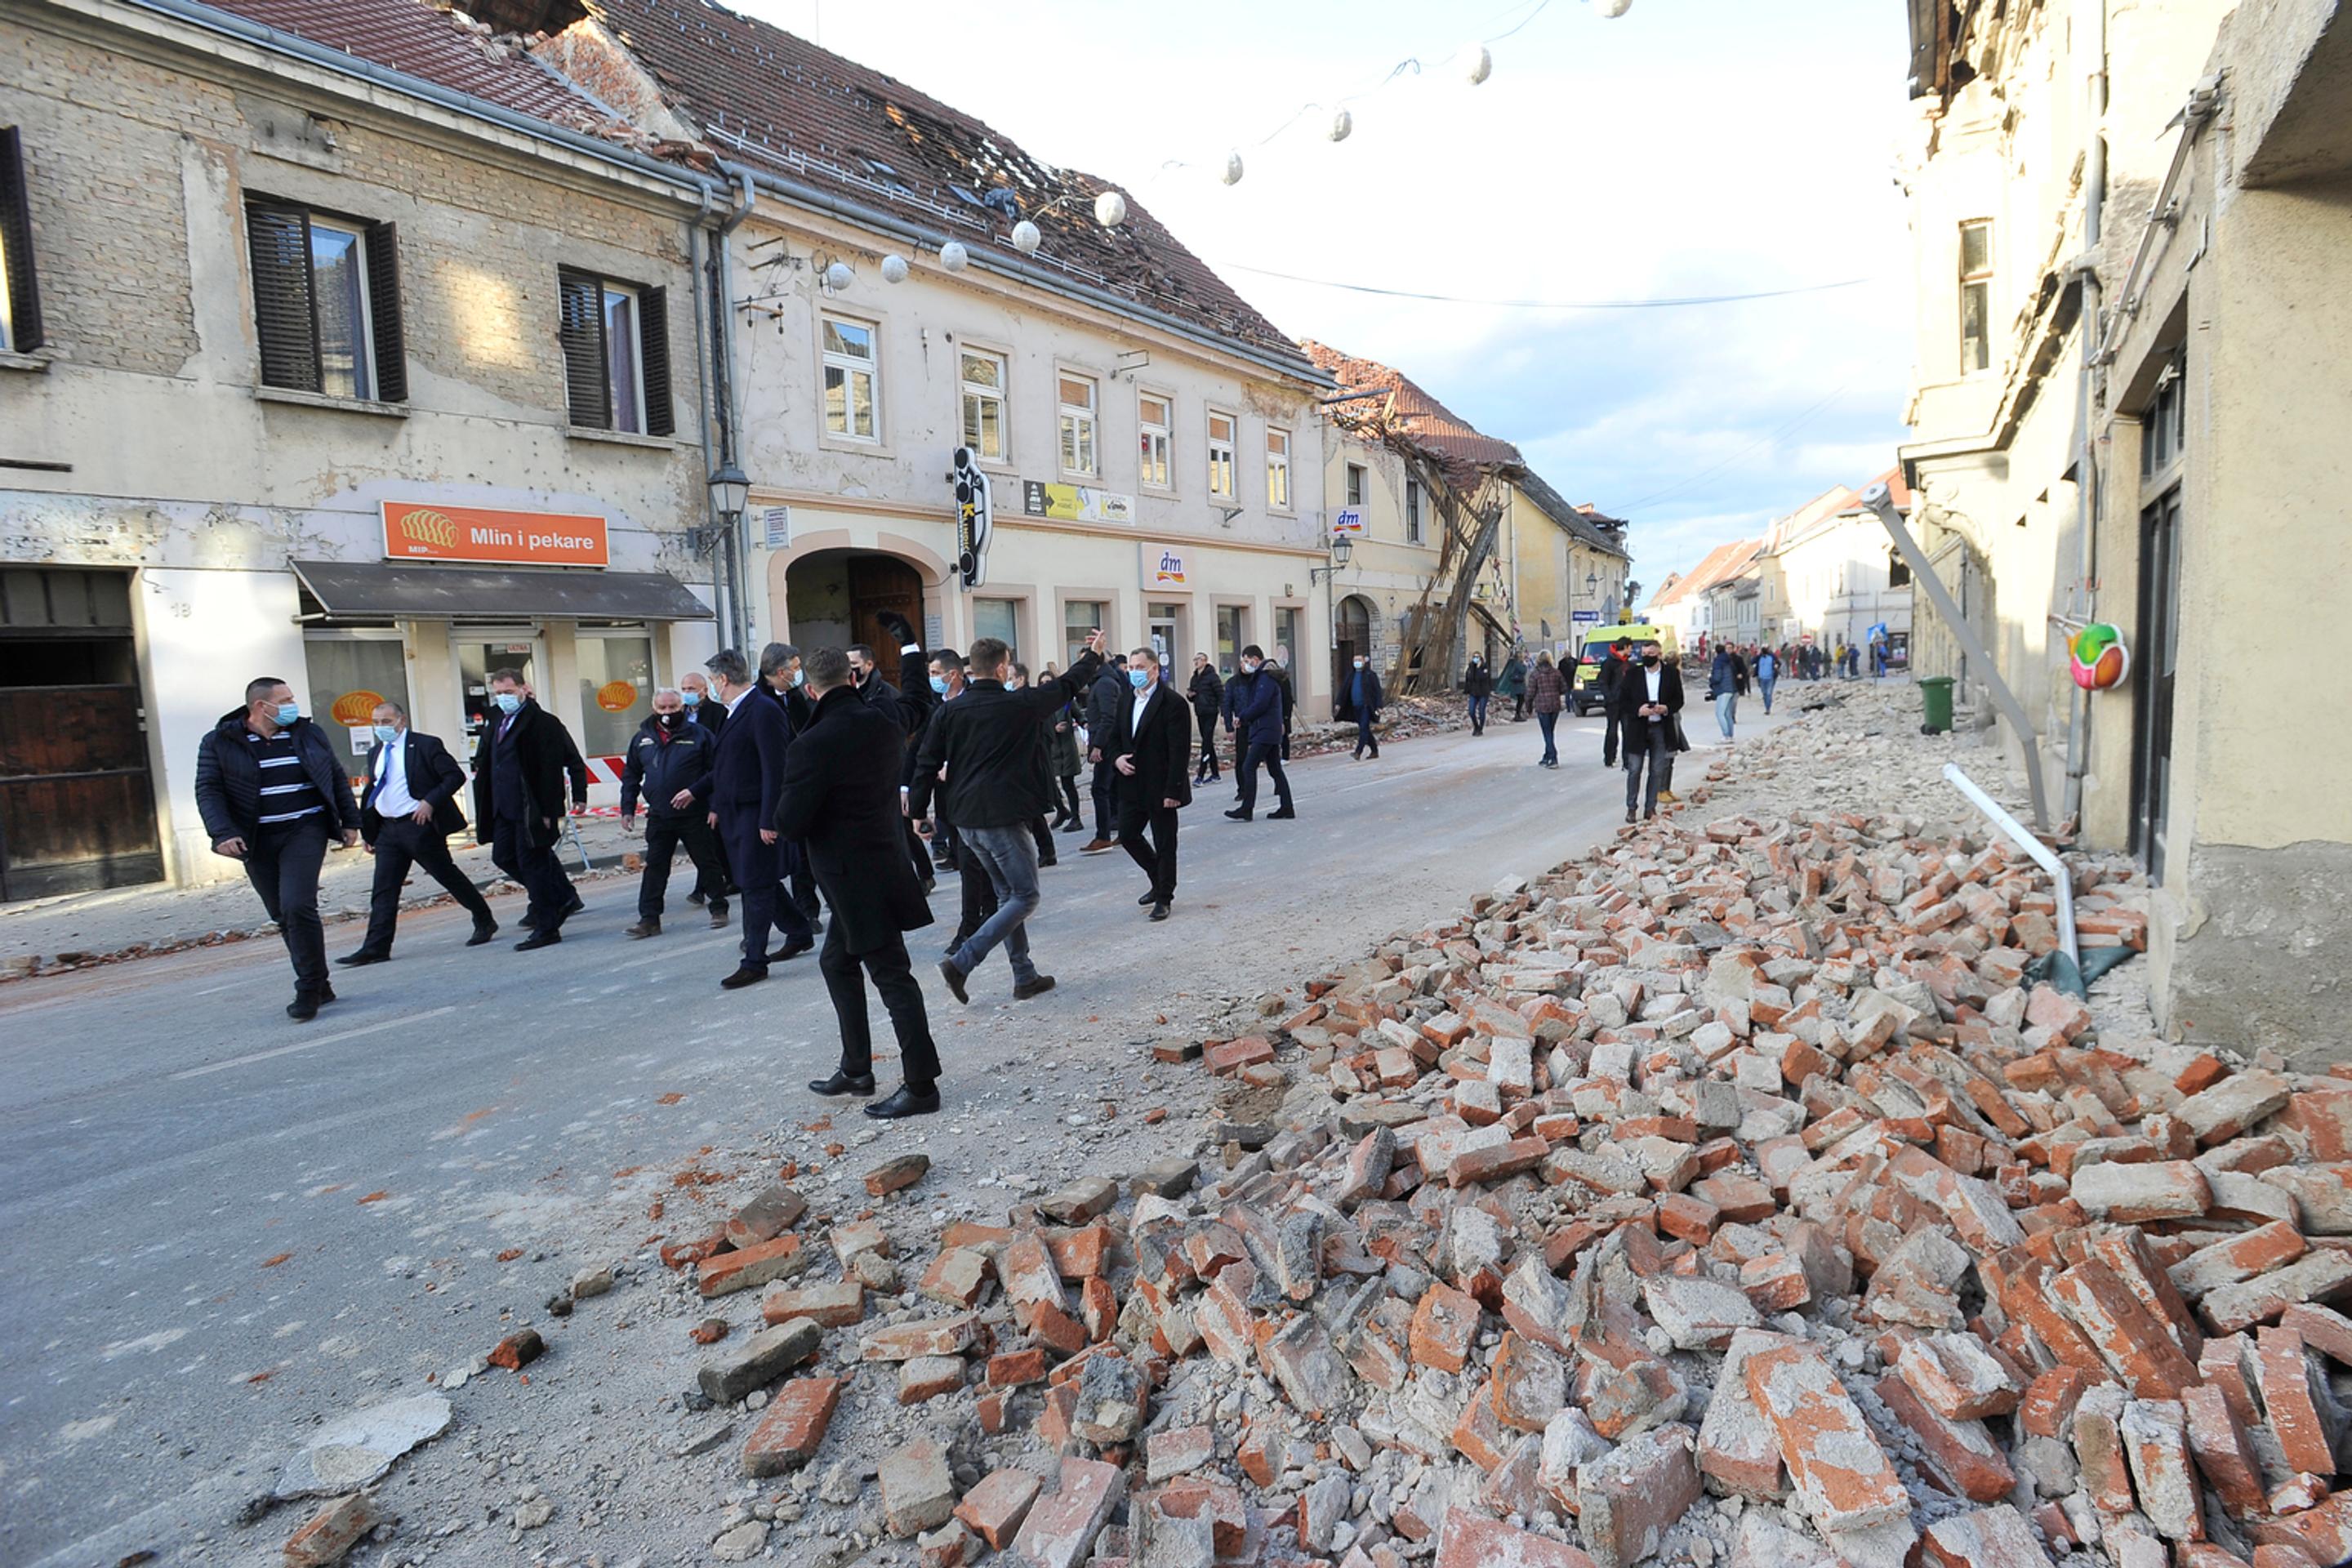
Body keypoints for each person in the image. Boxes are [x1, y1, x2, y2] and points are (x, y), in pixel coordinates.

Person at [775, 647, 942, 1120]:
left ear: (811, 689)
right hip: (884, 862)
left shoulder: (812, 743)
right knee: (836, 962)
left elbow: (790, 823)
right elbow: (915, 696)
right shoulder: (883, 721)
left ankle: (922, 1085)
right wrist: (908, 646)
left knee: (893, 977)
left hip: (852, 878)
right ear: (852, 678)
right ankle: (856, 1068)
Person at [913, 633, 1105, 1003]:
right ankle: (962, 962)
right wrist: (1092, 657)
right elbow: (1067, 686)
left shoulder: (950, 711)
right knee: (1026, 896)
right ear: (1002, 668)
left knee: (1007, 896)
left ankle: (1025, 976)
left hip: (965, 820)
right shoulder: (1019, 704)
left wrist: (920, 812)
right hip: (999, 818)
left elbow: (926, 762)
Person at [194, 677, 362, 1019]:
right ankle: (320, 982)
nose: (292, 705)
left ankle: (307, 989)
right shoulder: (219, 741)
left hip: (305, 828)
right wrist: (222, 833)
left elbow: (332, 774)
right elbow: (208, 790)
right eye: (284, 699)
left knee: (298, 904)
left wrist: (350, 821)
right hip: (256, 837)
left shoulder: (307, 733)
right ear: (260, 706)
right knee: (282, 914)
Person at [339, 700, 497, 965]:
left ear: (401, 721)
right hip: (388, 829)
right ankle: (376, 946)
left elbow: (454, 776)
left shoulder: (425, 745)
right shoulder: (376, 751)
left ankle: (483, 917)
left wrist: (430, 801)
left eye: (386, 722)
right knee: (384, 889)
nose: (381, 728)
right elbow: (376, 790)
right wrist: (370, 832)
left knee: (446, 875)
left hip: (419, 825)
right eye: (376, 723)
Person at [694, 648, 813, 989]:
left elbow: (775, 767)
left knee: (755, 886)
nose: (713, 688)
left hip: (755, 813)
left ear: (723, 679)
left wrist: (769, 819)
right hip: (736, 813)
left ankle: (755, 961)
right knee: (757, 879)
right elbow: (728, 766)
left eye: (713, 681)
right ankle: (799, 930)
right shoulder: (735, 711)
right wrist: (712, 800)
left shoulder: (762, 710)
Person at [470, 666, 585, 950]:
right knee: (503, 856)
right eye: (498, 693)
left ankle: (547, 926)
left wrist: (551, 810)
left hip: (530, 806)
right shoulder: (496, 719)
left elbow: (552, 769)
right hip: (501, 806)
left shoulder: (541, 722)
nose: (503, 698)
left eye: (508, 692)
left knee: (532, 864)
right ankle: (559, 897)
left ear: (523, 689)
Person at [617, 688, 730, 938]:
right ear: (654, 709)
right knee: (655, 867)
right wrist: (627, 808)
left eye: (673, 708)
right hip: (659, 814)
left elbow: (718, 772)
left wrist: (713, 806)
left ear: (682, 708)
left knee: (707, 862)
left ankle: (719, 908)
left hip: (695, 813)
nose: (668, 713)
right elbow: (631, 775)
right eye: (663, 708)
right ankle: (649, 919)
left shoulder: (700, 736)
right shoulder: (642, 739)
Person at [1109, 646, 1193, 920]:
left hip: (1161, 786)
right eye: (1131, 668)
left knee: (1165, 842)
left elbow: (1179, 751)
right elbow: (1115, 737)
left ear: (1155, 669)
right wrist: (1116, 759)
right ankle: (1158, 879)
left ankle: (1164, 897)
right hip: (1132, 784)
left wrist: (1174, 790)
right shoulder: (1126, 700)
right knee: (1128, 834)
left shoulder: (1173, 703)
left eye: (1140, 667)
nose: (1135, 672)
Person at [760, 642, 822, 927]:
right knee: (766, 863)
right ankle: (765, 925)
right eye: (795, 668)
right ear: (781, 671)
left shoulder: (796, 697)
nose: (799, 674)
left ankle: (808, 910)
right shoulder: (758, 702)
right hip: (770, 789)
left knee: (801, 856)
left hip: (801, 785)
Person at [1223, 644, 1294, 822]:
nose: (1245, 665)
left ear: (1255, 659)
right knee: (1275, 769)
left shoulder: (1265, 678)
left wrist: (1242, 717)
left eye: (1247, 661)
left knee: (1248, 767)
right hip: (1268, 728)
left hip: (1265, 729)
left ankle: (1247, 809)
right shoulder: (1263, 676)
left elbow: (1260, 704)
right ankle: (1287, 807)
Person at [1615, 639, 1683, 822]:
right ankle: (1631, 808)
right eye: (1644, 654)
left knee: (1657, 770)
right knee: (1635, 769)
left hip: (1661, 726)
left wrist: (1666, 708)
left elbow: (1679, 700)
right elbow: (1622, 701)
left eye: (1650, 654)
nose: (1646, 657)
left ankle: (1650, 808)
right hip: (1638, 727)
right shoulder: (1632, 674)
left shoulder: (1671, 674)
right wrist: (1639, 710)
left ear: (1659, 654)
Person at [1006, 663, 1059, 868]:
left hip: (1032, 764)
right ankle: (1046, 851)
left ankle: (1041, 852)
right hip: (1022, 765)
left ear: (1020, 679)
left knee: (1029, 813)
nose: (1007, 682)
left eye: (1010, 678)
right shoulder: (1012, 700)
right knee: (1032, 813)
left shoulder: (1030, 701)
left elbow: (1044, 734)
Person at [1080, 652, 1128, 855]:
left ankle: (1103, 836)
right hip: (1107, 742)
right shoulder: (1100, 682)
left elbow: (1109, 717)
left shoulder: (1105, 684)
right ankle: (1122, 831)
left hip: (1107, 745)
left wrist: (1098, 745)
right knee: (1112, 788)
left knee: (1100, 789)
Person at [1526, 650, 1567, 768]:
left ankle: (1553, 758)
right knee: (1550, 732)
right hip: (1555, 706)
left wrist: (1528, 708)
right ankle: (1547, 756)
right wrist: (1555, 692)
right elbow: (1564, 688)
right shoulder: (1556, 673)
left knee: (1547, 733)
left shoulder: (1535, 674)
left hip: (1542, 706)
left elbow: (1530, 693)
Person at [1187, 653, 1224, 782]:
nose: (1196, 662)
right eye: (1195, 659)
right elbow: (1192, 694)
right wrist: (1190, 696)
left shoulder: (1212, 677)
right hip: (1200, 711)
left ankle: (1200, 775)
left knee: (1206, 743)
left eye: (1198, 659)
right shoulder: (1195, 677)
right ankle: (1215, 773)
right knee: (1208, 742)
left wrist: (1223, 713)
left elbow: (1221, 694)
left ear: (1205, 661)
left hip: (1211, 712)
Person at [1598, 638, 1633, 767]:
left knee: (1627, 732)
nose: (1631, 651)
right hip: (1613, 703)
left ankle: (1627, 761)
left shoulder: (1629, 664)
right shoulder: (1609, 663)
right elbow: (1602, 682)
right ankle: (1609, 757)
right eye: (1630, 648)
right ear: (1625, 647)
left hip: (1626, 703)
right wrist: (1610, 697)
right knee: (1612, 731)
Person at [1345, 653, 1383, 760]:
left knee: (1363, 728)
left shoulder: (1370, 675)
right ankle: (1374, 750)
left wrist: (1379, 706)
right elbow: (1344, 691)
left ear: (1364, 662)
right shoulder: (1351, 675)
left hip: (1366, 706)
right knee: (1365, 729)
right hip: (1355, 706)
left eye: (1359, 660)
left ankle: (1358, 752)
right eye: (1355, 660)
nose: (1357, 662)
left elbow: (1378, 691)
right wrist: (1339, 704)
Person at [1268, 645, 1297, 760]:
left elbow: (1287, 698)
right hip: (1275, 711)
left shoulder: (1284, 680)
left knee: (1284, 734)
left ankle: (1285, 757)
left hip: (1283, 710)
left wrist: (1286, 715)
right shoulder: (1270, 681)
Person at [1710, 643, 1739, 742]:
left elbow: (1717, 677)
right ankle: (1730, 736)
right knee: (1728, 714)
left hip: (1723, 689)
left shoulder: (1718, 662)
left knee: (1719, 713)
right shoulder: (1728, 660)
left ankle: (1726, 735)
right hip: (1731, 688)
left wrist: (1711, 679)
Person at [1463, 653, 1492, 735]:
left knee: (1481, 711)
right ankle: (1476, 726)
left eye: (1477, 657)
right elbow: (1469, 678)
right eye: (1474, 657)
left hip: (1483, 692)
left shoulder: (1485, 667)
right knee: (1471, 711)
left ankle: (1480, 728)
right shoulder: (1471, 667)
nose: (1476, 659)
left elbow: (1482, 677)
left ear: (1481, 658)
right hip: (1473, 692)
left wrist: (1479, 668)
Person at [1498, 649, 1528, 722]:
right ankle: (1517, 715)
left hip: (1518, 685)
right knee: (1520, 700)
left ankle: (1518, 714)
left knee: (1520, 700)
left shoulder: (1516, 663)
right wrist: (1525, 665)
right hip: (1518, 685)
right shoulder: (1518, 664)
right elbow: (1523, 670)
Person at [1756, 646, 1779, 715]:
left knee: (1769, 693)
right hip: (1761, 678)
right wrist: (1758, 655)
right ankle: (1767, 706)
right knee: (1764, 694)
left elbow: (1778, 663)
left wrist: (1775, 669)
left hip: (1770, 678)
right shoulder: (1759, 658)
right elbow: (1752, 661)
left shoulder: (1771, 657)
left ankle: (1768, 708)